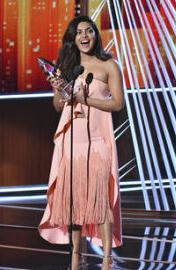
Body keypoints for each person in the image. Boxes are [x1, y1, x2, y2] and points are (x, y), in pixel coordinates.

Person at [38, 15, 124, 270]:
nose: (84, 36)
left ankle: (107, 258)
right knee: (73, 201)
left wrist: (86, 100)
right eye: (79, 32)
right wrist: (62, 91)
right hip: (71, 142)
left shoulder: (109, 66)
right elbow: (57, 105)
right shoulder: (67, 66)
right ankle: (75, 256)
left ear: (95, 35)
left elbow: (117, 103)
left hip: (98, 141)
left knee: (100, 200)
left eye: (89, 31)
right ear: (73, 39)